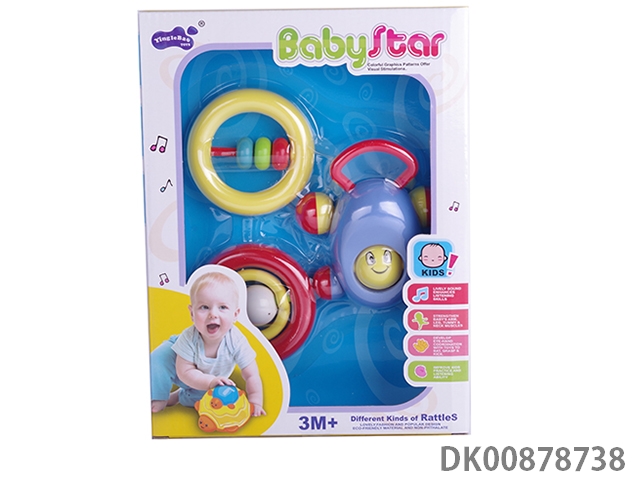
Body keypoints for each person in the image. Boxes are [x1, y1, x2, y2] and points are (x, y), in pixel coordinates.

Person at [150, 269, 266, 416]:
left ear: (235, 314)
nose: (213, 314)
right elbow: (185, 372)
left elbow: (251, 374)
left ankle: (179, 396)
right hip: (179, 363)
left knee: (203, 401)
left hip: (209, 377)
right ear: (192, 313)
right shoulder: (188, 338)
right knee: (158, 359)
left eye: (222, 307)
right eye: (204, 307)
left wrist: (255, 401)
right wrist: (209, 381)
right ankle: (159, 396)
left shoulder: (236, 341)